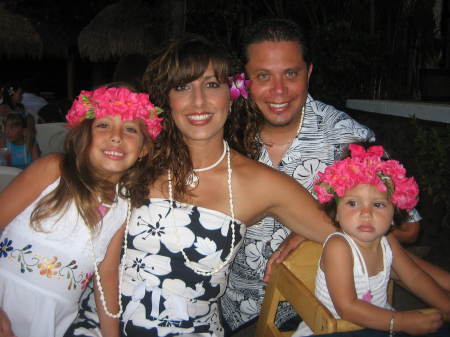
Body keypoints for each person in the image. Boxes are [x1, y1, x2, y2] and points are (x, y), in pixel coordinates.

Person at [65, 34, 337, 337]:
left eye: (211, 84)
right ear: (166, 98)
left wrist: (305, 233)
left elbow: (352, 233)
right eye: (182, 87)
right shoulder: (134, 159)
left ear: (231, 94)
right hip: (98, 326)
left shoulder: (260, 183)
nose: (198, 101)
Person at [220, 17, 424, 333]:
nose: (278, 91)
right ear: (243, 80)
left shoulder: (348, 140)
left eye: (291, 73)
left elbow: (409, 228)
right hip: (228, 310)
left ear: (309, 72)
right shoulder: (220, 132)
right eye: (263, 76)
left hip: (317, 314)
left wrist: (322, 225)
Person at [0, 84, 163, 337]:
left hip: (51, 322)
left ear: (143, 149)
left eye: (130, 129)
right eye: (103, 125)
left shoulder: (123, 205)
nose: (116, 136)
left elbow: (106, 276)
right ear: (84, 135)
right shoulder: (53, 170)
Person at [293, 144, 450, 336]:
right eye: (352, 203)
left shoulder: (387, 241)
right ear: (336, 214)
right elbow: (347, 307)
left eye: (378, 204)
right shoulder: (339, 246)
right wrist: (401, 321)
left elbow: (414, 277)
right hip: (335, 328)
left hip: (379, 322)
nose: (366, 213)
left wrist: (446, 306)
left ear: (394, 215)